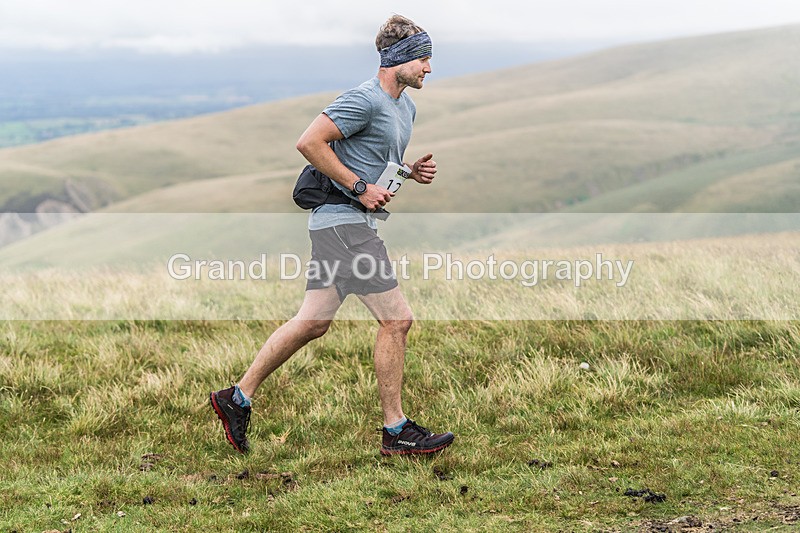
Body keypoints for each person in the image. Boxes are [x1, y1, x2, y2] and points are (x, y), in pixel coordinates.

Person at [210, 14, 454, 456]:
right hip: (342, 222)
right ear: (397, 59)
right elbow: (309, 142)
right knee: (396, 320)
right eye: (423, 58)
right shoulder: (363, 100)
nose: (428, 68)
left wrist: (409, 173)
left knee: (313, 322)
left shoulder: (405, 107)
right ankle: (396, 430)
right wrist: (360, 189)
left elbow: (370, 161)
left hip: (345, 225)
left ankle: (236, 398)